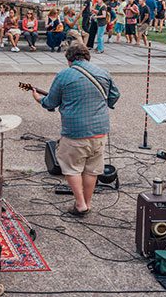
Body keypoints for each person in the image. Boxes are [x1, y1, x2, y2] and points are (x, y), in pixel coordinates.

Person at [31, 42, 120, 216]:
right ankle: (88, 202)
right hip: (100, 130)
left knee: (72, 168)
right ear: (88, 57)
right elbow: (115, 96)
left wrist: (37, 98)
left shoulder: (64, 75)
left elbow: (50, 102)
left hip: (75, 131)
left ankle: (80, 204)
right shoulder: (103, 72)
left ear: (69, 59)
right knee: (92, 169)